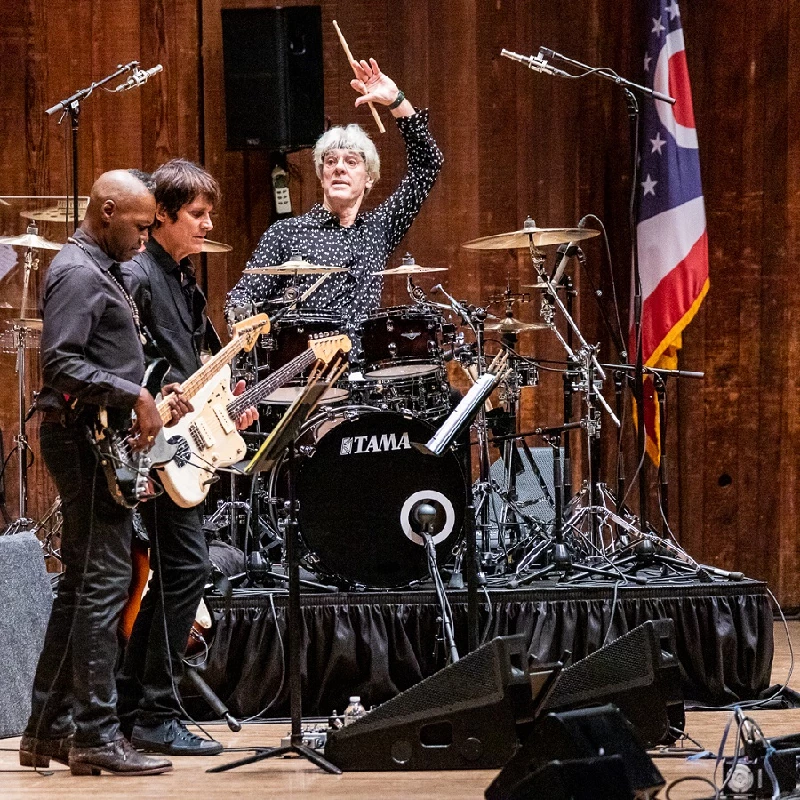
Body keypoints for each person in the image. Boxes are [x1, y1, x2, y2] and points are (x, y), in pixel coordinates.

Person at [20, 170, 190, 776]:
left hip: (93, 436)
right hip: (80, 439)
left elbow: (101, 359)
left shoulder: (104, 269)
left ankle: (47, 732)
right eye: (142, 225)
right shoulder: (75, 272)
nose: (148, 237)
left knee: (83, 588)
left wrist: (152, 390)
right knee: (103, 586)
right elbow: (62, 364)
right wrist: (133, 395)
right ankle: (94, 735)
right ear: (108, 210)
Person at [116, 159, 257, 756]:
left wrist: (233, 408)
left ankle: (133, 699)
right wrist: (141, 453)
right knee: (187, 569)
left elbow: (196, 368)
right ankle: (155, 711)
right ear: (164, 215)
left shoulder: (185, 280)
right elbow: (130, 370)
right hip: (157, 448)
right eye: (196, 215)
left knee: (178, 574)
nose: (206, 226)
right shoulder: (139, 276)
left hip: (188, 443)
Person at [225, 57, 444, 339]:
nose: (339, 167)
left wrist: (396, 101)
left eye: (351, 162)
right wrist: (246, 322)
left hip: (363, 377)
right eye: (331, 161)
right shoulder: (286, 234)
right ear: (322, 175)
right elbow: (241, 299)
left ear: (369, 179)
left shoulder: (379, 230)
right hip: (303, 376)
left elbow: (427, 164)